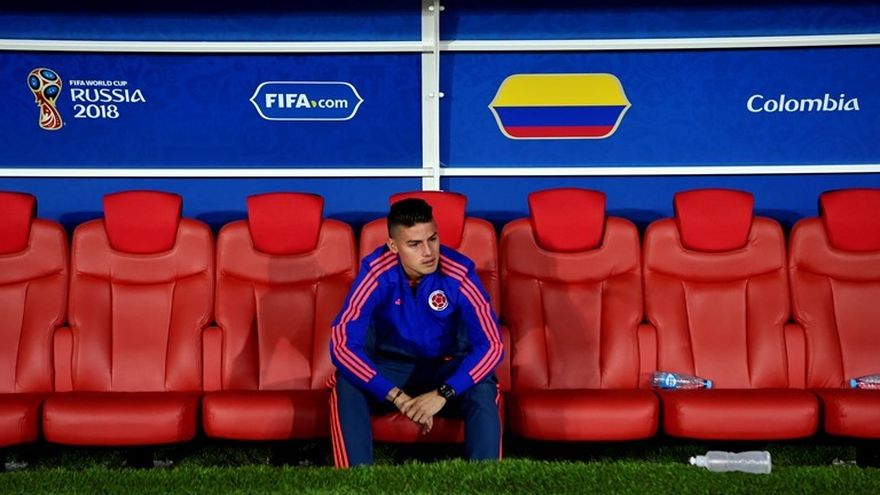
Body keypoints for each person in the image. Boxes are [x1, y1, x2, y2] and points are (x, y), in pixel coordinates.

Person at [329, 197, 504, 468]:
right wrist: (396, 396)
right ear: (393, 246)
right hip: (392, 368)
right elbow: (342, 345)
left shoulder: (459, 272)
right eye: (414, 244)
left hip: (443, 368)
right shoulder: (376, 272)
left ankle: (486, 478)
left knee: (484, 386)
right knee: (346, 383)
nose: (428, 252)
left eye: (432, 239)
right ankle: (355, 478)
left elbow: (492, 345)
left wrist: (442, 394)